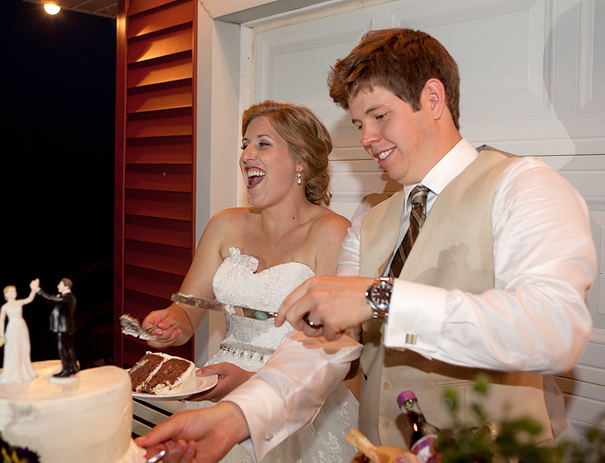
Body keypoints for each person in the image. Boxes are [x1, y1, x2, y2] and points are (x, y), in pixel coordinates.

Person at [137, 28, 596, 463]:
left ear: (432, 99)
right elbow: (320, 348)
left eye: (379, 116)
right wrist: (237, 418)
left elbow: (554, 329)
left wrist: (383, 298)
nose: (366, 139)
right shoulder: (369, 226)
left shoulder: (523, 186)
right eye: (359, 123)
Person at [141, 100, 359, 463]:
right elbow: (187, 314)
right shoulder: (224, 224)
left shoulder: (332, 233)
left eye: (262, 143)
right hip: (216, 388)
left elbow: (338, 351)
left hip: (298, 402)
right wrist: (168, 324)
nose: (246, 154)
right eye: (245, 144)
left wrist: (250, 380)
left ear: (300, 162)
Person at [0, 279, 40, 384]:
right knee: (14, 349)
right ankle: (14, 374)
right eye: (11, 291)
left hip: (21, 326)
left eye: (14, 291)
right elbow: (1, 321)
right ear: (6, 294)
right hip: (12, 328)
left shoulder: (19, 302)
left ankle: (24, 371)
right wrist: (1, 335)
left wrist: (33, 290)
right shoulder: (5, 307)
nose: (14, 293)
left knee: (24, 347)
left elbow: (29, 299)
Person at [36, 278, 80, 378]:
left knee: (63, 348)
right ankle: (73, 367)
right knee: (69, 348)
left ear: (66, 286)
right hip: (68, 327)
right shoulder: (70, 297)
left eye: (60, 285)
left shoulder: (66, 298)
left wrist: (38, 291)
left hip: (64, 328)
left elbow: (50, 299)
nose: (57, 286)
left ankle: (66, 370)